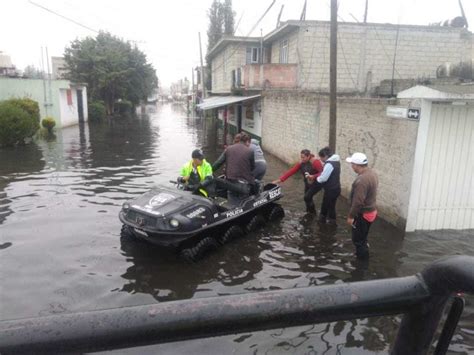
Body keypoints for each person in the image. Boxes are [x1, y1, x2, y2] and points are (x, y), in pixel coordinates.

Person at [346, 152, 379, 259]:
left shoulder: (362, 180)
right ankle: (362, 252)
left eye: (352, 164)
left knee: (358, 240)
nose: (351, 166)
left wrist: (351, 216)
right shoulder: (372, 173)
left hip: (363, 214)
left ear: (356, 165)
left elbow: (358, 202)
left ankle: (362, 264)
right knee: (363, 237)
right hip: (371, 211)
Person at [273, 149, 323, 213]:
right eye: (301, 157)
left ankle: (313, 213)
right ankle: (309, 211)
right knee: (307, 198)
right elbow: (291, 171)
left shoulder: (315, 162)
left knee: (307, 197)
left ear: (308, 156)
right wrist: (279, 180)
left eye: (303, 157)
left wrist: (313, 176)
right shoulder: (301, 163)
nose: (302, 159)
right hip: (307, 183)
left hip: (316, 183)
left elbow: (322, 173)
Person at [212, 133, 255, 206]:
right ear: (247, 141)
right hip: (244, 186)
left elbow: (217, 163)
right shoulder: (250, 151)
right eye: (249, 143)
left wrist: (208, 172)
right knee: (243, 204)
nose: (249, 145)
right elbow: (253, 168)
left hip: (230, 184)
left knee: (231, 203)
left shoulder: (228, 149)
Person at [316, 146, 341, 225]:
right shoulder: (336, 162)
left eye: (321, 158)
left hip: (331, 189)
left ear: (326, 156)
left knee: (328, 206)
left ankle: (328, 222)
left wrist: (316, 179)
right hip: (336, 188)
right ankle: (329, 222)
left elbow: (323, 178)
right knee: (330, 205)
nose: (321, 160)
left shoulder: (329, 164)